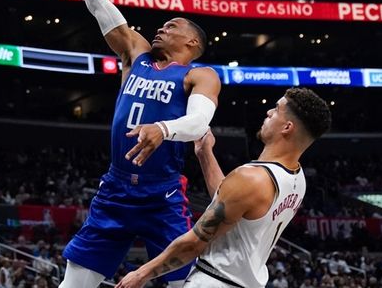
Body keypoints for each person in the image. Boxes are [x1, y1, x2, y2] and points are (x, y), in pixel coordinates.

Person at [59, 0, 221, 287]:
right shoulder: (137, 54)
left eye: (173, 25)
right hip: (115, 188)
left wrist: (161, 128)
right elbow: (98, 4)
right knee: (73, 284)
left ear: (192, 43)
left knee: (180, 284)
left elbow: (198, 123)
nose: (162, 27)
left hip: (161, 194)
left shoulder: (200, 74)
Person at [116, 88, 332, 288]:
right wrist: (204, 153)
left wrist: (141, 274)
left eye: (276, 109)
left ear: (287, 127)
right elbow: (231, 201)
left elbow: (193, 244)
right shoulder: (297, 178)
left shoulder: (251, 178)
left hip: (214, 280)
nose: (268, 112)